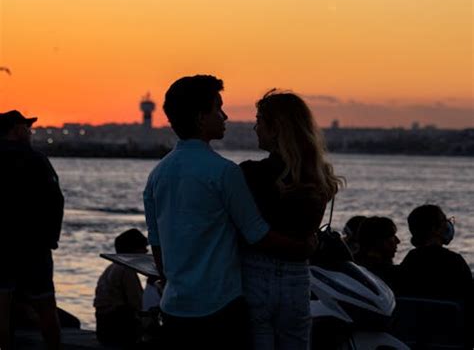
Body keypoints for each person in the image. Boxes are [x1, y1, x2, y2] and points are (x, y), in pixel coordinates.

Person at [143, 75, 313, 350]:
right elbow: (256, 233)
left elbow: (157, 244)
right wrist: (303, 247)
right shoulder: (225, 173)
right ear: (201, 118)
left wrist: (173, 278)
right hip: (220, 306)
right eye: (218, 109)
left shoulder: (157, 174)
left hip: (175, 306)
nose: (225, 116)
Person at [240, 89, 343, 350]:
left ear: (276, 129)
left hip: (255, 274)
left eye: (259, 120)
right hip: (297, 277)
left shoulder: (250, 175)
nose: (255, 127)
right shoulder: (317, 180)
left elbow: (245, 230)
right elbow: (305, 234)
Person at [0, 109, 64, 350]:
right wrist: (51, 239)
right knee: (46, 308)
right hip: (34, 248)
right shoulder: (37, 160)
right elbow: (56, 201)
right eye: (27, 127)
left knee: (2, 310)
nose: (30, 132)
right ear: (16, 130)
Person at [397, 204, 473, 347]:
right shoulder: (455, 262)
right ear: (434, 229)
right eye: (444, 221)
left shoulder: (409, 262)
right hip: (453, 341)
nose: (448, 225)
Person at [94, 228, 148, 346]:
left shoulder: (111, 268)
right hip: (117, 329)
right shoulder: (127, 270)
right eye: (143, 248)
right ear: (133, 251)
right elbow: (137, 303)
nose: (146, 251)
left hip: (103, 327)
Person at [354, 216, 400, 289]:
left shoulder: (353, 268)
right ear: (378, 241)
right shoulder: (387, 276)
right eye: (392, 237)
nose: (398, 241)